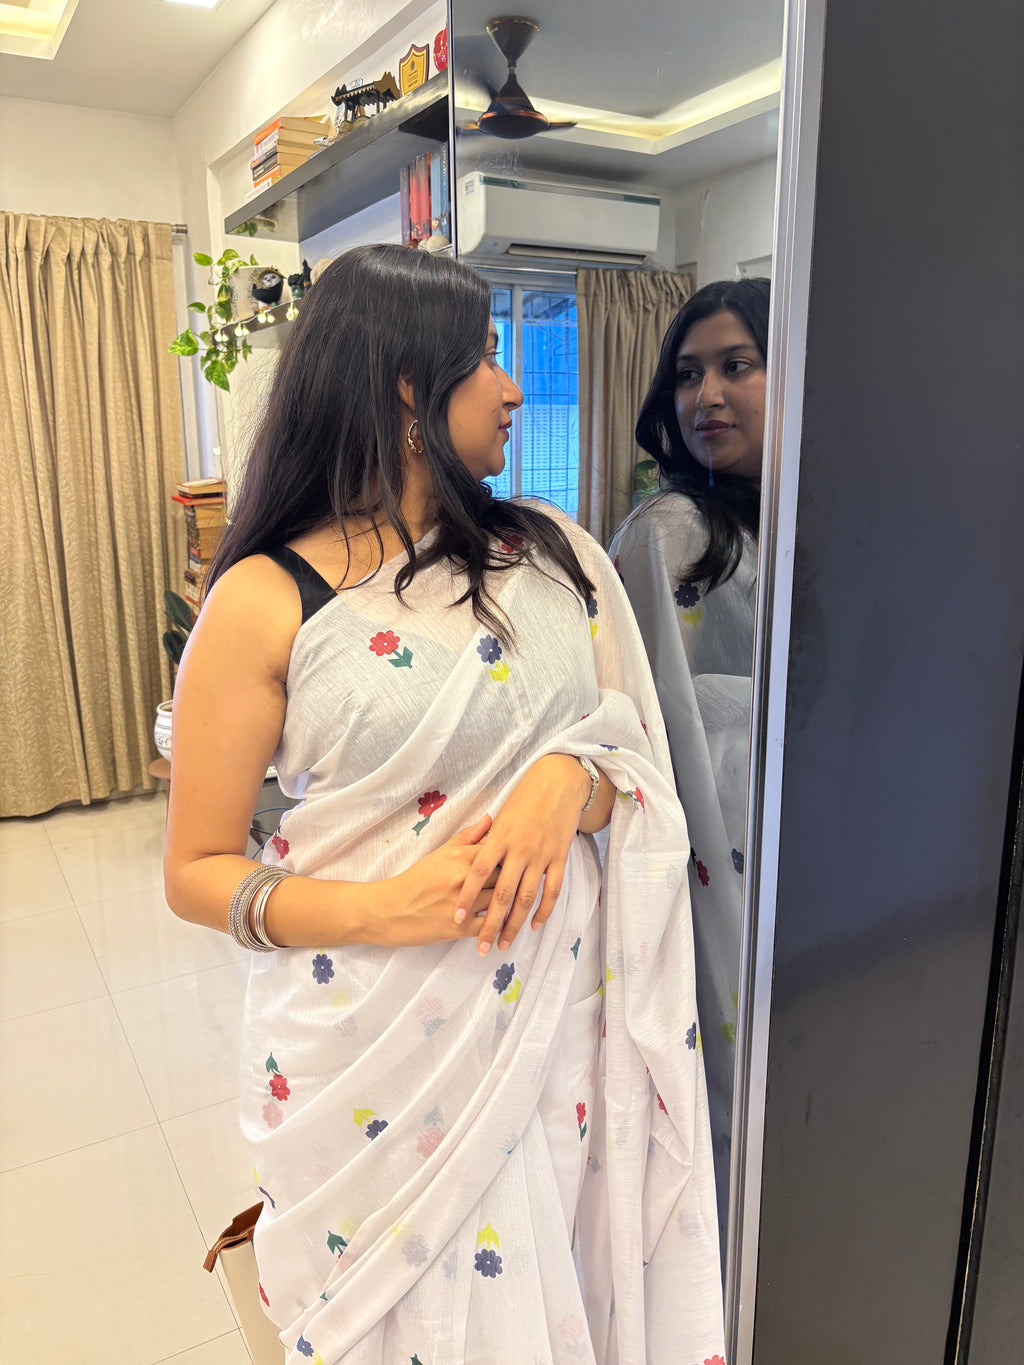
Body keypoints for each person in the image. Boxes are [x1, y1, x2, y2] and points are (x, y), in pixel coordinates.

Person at [163, 244, 723, 1365]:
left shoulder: (553, 556)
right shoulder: (266, 598)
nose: (512, 387)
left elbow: (636, 756)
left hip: (555, 1021)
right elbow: (196, 870)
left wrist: (567, 785)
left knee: (545, 1281)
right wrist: (390, 909)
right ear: (410, 385)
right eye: (485, 358)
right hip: (371, 1037)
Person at [609, 278, 769, 1244]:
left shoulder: (822, 517)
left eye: (736, 366)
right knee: (730, 1087)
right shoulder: (672, 535)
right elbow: (638, 727)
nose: (706, 395)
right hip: (718, 863)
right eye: (687, 375)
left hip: (831, 848)